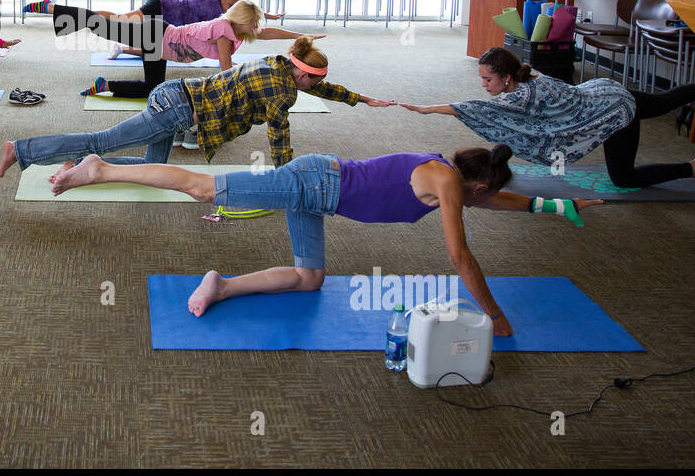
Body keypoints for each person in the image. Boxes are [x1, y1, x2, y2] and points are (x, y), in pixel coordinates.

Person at [45, 144, 601, 335]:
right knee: (201, 188)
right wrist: (495, 314)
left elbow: (495, 200)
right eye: (482, 195)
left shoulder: (455, 177)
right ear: (475, 183)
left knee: (310, 280)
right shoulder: (449, 183)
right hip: (314, 180)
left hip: (321, 195)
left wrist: (554, 203)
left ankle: (221, 285)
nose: (480, 200)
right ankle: (101, 169)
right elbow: (460, 255)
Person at [0, 35, 394, 176]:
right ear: (303, 75)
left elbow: (321, 89)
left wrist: (358, 99)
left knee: (154, 170)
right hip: (178, 109)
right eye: (316, 81)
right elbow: (280, 139)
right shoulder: (281, 92)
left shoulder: (278, 63)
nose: (317, 87)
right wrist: (288, 178)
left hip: (174, 95)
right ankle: (21, 150)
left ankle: (88, 166)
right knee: (101, 140)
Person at [399, 46, 695, 188]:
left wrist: (430, 108)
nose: (484, 85)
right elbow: (511, 123)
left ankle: (692, 168)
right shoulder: (526, 77)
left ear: (506, 77)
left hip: (612, 112)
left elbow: (479, 111)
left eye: (487, 79)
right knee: (663, 102)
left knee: (624, 178)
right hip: (606, 93)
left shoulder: (522, 93)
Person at [24, 0, 318, 99]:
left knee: (154, 88)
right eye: (254, 23)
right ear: (244, 21)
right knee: (100, 24)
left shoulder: (238, 31)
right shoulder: (226, 34)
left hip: (162, 46)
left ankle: (106, 85)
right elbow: (225, 72)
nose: (257, 28)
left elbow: (267, 33)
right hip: (155, 33)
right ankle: (51, 7)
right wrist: (250, 77)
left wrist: (301, 34)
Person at [95, 0, 283, 24]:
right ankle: (90, 15)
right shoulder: (212, 4)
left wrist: (267, 15)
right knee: (122, 19)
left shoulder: (218, 1)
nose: (229, 8)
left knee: (128, 24)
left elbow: (244, 8)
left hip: (164, 8)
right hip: (161, 6)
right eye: (229, 4)